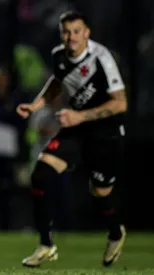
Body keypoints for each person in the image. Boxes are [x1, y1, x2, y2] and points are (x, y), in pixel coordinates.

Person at [16, 11, 127, 267]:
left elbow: (120, 103)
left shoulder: (102, 59)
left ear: (87, 33)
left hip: (104, 132)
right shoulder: (59, 55)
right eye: (66, 32)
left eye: (76, 31)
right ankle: (46, 244)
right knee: (40, 175)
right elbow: (57, 81)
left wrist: (80, 116)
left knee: (100, 192)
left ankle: (115, 232)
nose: (71, 37)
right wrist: (36, 105)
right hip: (76, 131)